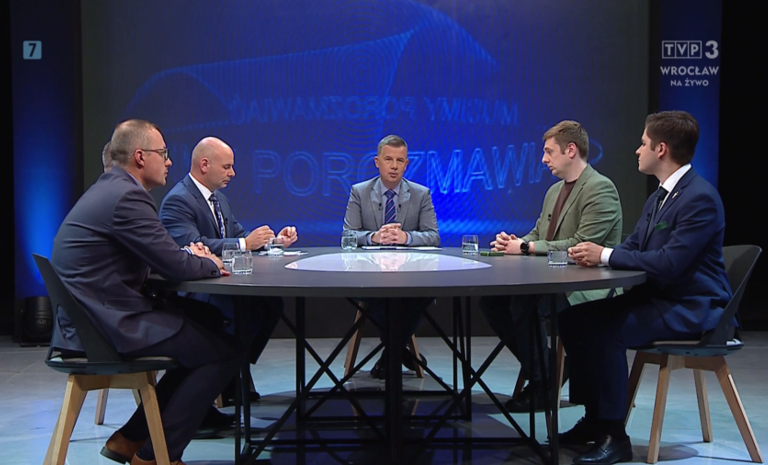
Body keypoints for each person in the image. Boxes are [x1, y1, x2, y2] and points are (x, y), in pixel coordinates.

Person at [51, 119, 241, 465]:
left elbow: (162, 255)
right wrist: (209, 262)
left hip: (95, 319)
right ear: (140, 157)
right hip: (105, 327)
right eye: (163, 153)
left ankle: (129, 439)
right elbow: (174, 265)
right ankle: (156, 456)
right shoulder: (127, 197)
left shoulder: (112, 189)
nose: (169, 161)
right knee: (225, 352)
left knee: (208, 324)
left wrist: (186, 256)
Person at [561, 111, 732, 465]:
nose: (638, 151)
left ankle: (614, 434)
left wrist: (605, 254)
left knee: (610, 332)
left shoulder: (699, 198)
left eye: (643, 143)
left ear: (661, 149)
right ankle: (594, 418)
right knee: (574, 319)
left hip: (691, 306)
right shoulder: (659, 197)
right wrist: (595, 256)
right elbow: (635, 246)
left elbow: (670, 263)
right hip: (659, 298)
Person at [479, 121, 622, 412]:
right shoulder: (554, 191)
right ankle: (548, 369)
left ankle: (541, 383)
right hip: (554, 279)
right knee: (491, 300)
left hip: (586, 286)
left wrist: (526, 248)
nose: (544, 159)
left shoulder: (600, 188)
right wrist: (516, 241)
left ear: (571, 150)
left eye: (549, 152)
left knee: (525, 303)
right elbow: (539, 233)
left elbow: (581, 244)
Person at [159, 136, 296, 403]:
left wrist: (273, 241)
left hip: (221, 282)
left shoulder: (219, 199)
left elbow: (238, 235)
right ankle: (229, 374)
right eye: (226, 167)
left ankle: (235, 367)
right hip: (194, 290)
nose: (232, 173)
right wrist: (244, 243)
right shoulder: (178, 200)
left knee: (270, 303)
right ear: (204, 165)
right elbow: (192, 245)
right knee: (245, 309)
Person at [342, 134, 440, 379]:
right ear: (377, 162)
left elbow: (433, 236)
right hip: (369, 275)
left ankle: (391, 354)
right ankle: (400, 352)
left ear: (406, 164)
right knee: (380, 299)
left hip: (410, 276)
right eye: (388, 159)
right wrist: (374, 237)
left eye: (400, 160)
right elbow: (347, 236)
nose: (394, 166)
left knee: (424, 294)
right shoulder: (360, 192)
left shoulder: (420, 194)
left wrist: (406, 237)